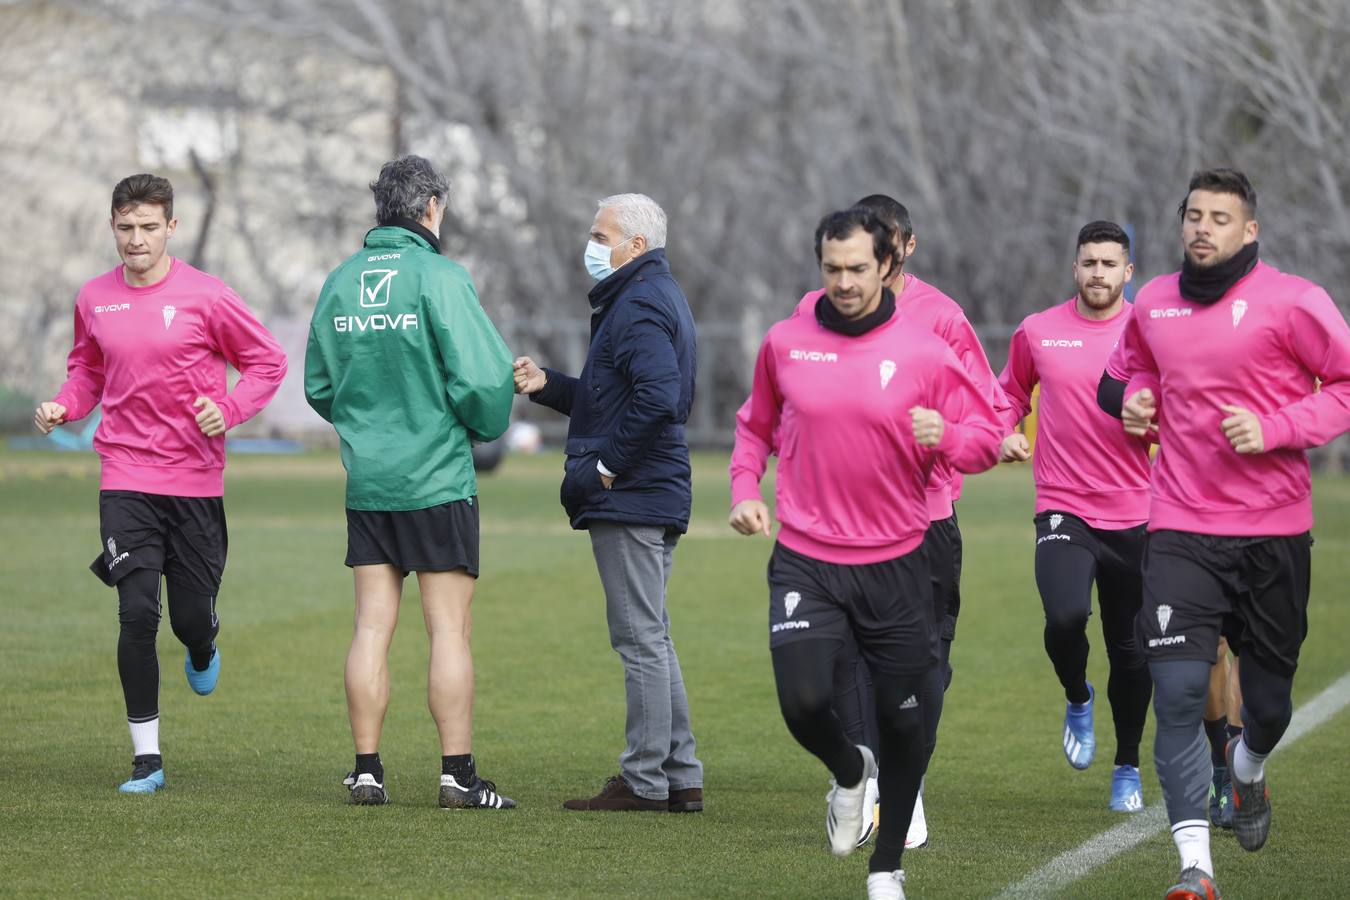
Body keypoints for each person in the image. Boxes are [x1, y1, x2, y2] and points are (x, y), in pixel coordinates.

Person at [729, 206, 1001, 900]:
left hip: (897, 562)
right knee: (803, 702)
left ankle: (886, 869)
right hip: (806, 557)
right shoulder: (786, 342)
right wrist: (743, 488)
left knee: (909, 719)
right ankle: (850, 773)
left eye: (857, 269)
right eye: (832, 268)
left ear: (887, 265)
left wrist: (945, 434)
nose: (844, 282)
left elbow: (987, 438)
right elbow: (753, 426)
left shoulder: (925, 351)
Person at [1102, 168, 1350, 899]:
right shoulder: (1152, 303)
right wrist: (1135, 401)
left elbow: (1344, 384)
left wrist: (1276, 428)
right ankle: (1195, 871)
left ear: (1251, 230)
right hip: (1180, 523)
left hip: (1273, 531)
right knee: (1177, 690)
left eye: (1220, 217)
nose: (1203, 227)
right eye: (1193, 216)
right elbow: (1118, 380)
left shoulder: (1294, 302)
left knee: (1267, 707)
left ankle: (1248, 771)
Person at [35, 173, 287, 793]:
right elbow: (87, 370)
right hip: (124, 476)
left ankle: (203, 645)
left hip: (195, 482)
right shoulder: (94, 297)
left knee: (188, 620)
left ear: (171, 227)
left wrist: (225, 411)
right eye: (126, 227)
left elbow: (268, 362)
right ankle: (147, 759)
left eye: (149, 227)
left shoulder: (207, 296)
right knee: (137, 613)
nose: (136, 239)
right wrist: (66, 405)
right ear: (112, 227)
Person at [304, 155, 516, 809]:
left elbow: (318, 384)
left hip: (370, 481)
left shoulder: (341, 281)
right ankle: (457, 775)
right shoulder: (440, 276)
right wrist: (478, 425)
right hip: (437, 480)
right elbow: (484, 382)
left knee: (371, 627)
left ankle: (367, 770)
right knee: (448, 631)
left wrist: (366, 427)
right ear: (430, 207)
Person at [804, 194, 1008, 850]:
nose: (874, 260)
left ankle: (905, 785)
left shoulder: (941, 317)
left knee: (921, 666)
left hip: (924, 523)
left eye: (887, 247)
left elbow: (989, 413)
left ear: (904, 248)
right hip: (838, 527)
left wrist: (946, 433)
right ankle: (865, 778)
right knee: (842, 661)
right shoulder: (813, 313)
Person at [513, 193, 704, 813]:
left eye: (602, 235)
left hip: (635, 495)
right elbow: (614, 400)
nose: (591, 245)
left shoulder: (640, 301)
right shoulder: (641, 297)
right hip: (652, 490)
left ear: (636, 246)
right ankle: (681, 776)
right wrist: (549, 386)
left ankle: (645, 781)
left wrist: (604, 469)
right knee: (654, 636)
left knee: (640, 639)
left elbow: (658, 399)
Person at [996, 220, 1153, 813]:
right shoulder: (1038, 331)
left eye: (1109, 264)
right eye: (1089, 262)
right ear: (1075, 267)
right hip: (1063, 504)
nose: (1098, 273)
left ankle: (1127, 766)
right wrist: (1007, 431)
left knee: (1130, 649)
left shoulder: (1150, 333)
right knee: (1064, 617)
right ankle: (1077, 695)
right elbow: (1007, 393)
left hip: (1136, 511)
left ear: (1127, 272)